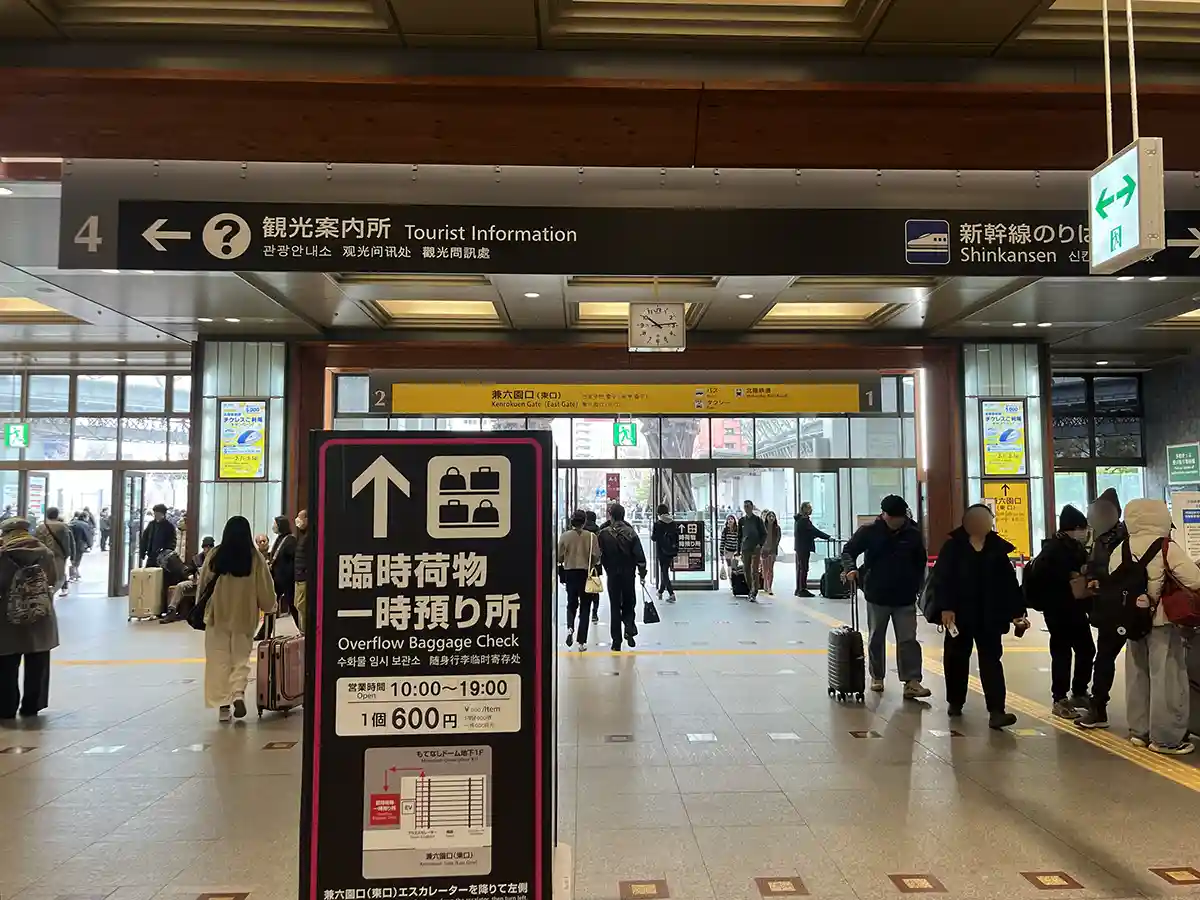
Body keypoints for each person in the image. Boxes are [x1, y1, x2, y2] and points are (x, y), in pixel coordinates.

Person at [929, 504, 1028, 729]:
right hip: (959, 614)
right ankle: (955, 701)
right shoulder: (953, 547)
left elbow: (1009, 583)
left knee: (991, 660)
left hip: (989, 615)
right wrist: (945, 607)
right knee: (956, 658)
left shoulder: (996, 548)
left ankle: (997, 711)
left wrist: (1017, 612)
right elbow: (942, 579)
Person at [1120, 499, 1199, 755]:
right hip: (1161, 621)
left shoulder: (1122, 547)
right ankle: (1165, 739)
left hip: (1132, 621)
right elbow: (1194, 579)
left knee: (1137, 676)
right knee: (1167, 678)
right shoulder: (1166, 546)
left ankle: (1139, 731)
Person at [840, 495, 931, 699]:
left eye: (900, 518)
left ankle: (912, 681)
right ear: (883, 514)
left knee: (908, 640)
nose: (896, 521)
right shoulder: (869, 531)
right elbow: (848, 551)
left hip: (905, 596)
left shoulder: (913, 533)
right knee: (876, 637)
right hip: (877, 594)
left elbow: (920, 562)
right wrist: (850, 568)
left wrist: (918, 586)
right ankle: (877, 676)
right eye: (892, 518)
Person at [198, 515, 277, 723]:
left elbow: (203, 584)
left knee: (218, 659)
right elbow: (265, 587)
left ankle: (223, 707)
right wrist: (270, 606)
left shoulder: (215, 555)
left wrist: (200, 607)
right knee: (240, 658)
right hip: (244, 616)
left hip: (218, 615)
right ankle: (238, 694)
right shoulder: (255, 558)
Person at [1024, 505, 1095, 719]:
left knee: (1086, 649)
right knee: (1062, 653)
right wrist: (1069, 576)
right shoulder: (1053, 549)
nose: (1084, 532)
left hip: (1074, 608)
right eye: (1081, 528)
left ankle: (1079, 691)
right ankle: (1060, 698)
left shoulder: (1074, 547)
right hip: (1057, 610)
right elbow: (1047, 578)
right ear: (1072, 528)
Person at [1077, 487, 1128, 729]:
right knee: (1105, 658)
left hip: (1121, 607)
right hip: (1116, 607)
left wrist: (1099, 579)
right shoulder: (1099, 539)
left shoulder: (1124, 538)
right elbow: (1094, 567)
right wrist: (1092, 578)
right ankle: (1098, 707)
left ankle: (1099, 709)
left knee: (1106, 657)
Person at [0, 517, 59, 719]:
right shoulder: (45, 553)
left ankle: (6, 707)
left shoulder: (3, 554)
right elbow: (53, 580)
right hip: (40, 614)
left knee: (6, 664)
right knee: (38, 661)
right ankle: (33, 705)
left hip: (7, 616)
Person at [597, 503, 647, 652]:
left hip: (612, 574)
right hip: (628, 574)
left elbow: (598, 555)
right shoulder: (631, 532)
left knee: (614, 606)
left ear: (611, 516)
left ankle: (616, 641)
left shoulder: (603, 534)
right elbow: (640, 556)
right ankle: (629, 628)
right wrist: (642, 572)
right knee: (629, 602)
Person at [558, 510, 602, 650]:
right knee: (585, 606)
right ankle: (581, 642)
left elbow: (559, 557)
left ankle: (570, 627)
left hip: (570, 573)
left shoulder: (565, 536)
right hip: (585, 574)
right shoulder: (591, 537)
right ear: (584, 522)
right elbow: (596, 557)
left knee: (571, 603)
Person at [794, 502, 832, 598]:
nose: (811, 510)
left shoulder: (800, 520)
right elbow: (814, 531)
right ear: (804, 509)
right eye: (809, 508)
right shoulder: (803, 521)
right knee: (804, 568)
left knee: (801, 568)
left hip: (800, 547)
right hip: (803, 547)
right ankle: (802, 589)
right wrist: (827, 537)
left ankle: (799, 589)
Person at [35, 507, 74, 598]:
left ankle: (47, 596)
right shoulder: (63, 527)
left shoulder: (40, 527)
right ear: (57, 515)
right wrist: (67, 555)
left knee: (46, 577)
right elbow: (67, 542)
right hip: (58, 556)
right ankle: (52, 594)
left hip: (44, 556)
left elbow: (37, 542)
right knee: (59, 577)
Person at [269, 515, 299, 632]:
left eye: (275, 524)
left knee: (292, 605)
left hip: (287, 578)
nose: (274, 526)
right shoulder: (280, 539)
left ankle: (302, 628)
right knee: (271, 605)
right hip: (277, 577)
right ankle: (265, 631)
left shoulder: (290, 540)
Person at [650, 504, 679, 604]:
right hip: (671, 550)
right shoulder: (673, 523)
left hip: (661, 551)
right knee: (665, 570)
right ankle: (660, 591)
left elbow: (654, 538)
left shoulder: (658, 524)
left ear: (659, 513)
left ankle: (671, 594)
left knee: (664, 572)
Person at [738, 500, 767, 600]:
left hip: (755, 548)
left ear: (752, 507)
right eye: (745, 506)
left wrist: (760, 544)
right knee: (746, 570)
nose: (746, 508)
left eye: (748, 506)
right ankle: (751, 589)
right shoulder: (742, 521)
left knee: (754, 570)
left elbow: (764, 534)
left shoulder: (758, 520)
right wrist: (738, 550)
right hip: (745, 548)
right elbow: (739, 536)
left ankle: (754, 591)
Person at [139, 503, 177, 568]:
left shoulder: (169, 526)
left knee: (159, 573)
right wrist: (142, 552)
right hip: (151, 556)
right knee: (149, 572)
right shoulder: (151, 525)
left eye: (158, 514)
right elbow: (144, 539)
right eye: (155, 513)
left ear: (163, 514)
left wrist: (166, 552)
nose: (156, 515)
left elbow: (172, 541)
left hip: (162, 558)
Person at [583, 510, 601, 624]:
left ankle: (584, 612)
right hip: (595, 565)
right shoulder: (598, 531)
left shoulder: (581, 531)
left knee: (583, 589)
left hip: (582, 564)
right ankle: (594, 613)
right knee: (594, 589)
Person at [293, 510, 309, 633]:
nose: (297, 520)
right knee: (297, 605)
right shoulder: (302, 535)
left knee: (302, 606)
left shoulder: (309, 536)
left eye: (300, 517)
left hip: (304, 577)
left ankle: (304, 632)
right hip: (298, 576)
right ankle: (302, 632)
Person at [760, 510, 782, 596]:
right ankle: (765, 584)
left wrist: (773, 547)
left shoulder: (777, 528)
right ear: (767, 518)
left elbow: (778, 539)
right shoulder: (763, 527)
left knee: (771, 569)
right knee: (765, 569)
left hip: (773, 551)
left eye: (773, 516)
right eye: (770, 516)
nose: (771, 518)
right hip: (764, 550)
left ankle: (769, 587)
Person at [67, 512, 93, 582]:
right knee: (77, 560)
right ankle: (73, 575)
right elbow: (88, 536)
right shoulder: (85, 525)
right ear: (85, 517)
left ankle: (75, 574)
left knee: (72, 559)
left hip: (70, 544)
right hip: (80, 545)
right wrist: (90, 545)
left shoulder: (72, 523)